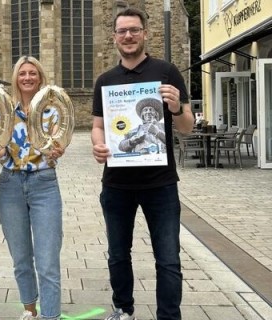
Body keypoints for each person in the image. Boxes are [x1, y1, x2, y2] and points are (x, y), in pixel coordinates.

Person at [91, 7, 194, 320]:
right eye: (122, 31)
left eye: (134, 30)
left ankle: (168, 316)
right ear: (114, 37)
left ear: (145, 33)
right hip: (117, 185)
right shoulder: (105, 80)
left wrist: (176, 108)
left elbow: (187, 127)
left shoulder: (167, 72)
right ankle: (124, 310)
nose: (128, 36)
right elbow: (98, 124)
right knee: (118, 256)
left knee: (168, 259)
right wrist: (97, 144)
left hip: (160, 184)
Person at [0, 56, 65, 320]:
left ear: (40, 77)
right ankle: (30, 309)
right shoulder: (3, 111)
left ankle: (51, 316)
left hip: (44, 183)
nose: (27, 77)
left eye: (32, 73)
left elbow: (58, 144)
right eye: (22, 73)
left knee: (47, 261)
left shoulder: (52, 111)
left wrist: (58, 150)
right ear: (15, 78)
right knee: (21, 257)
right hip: (10, 184)